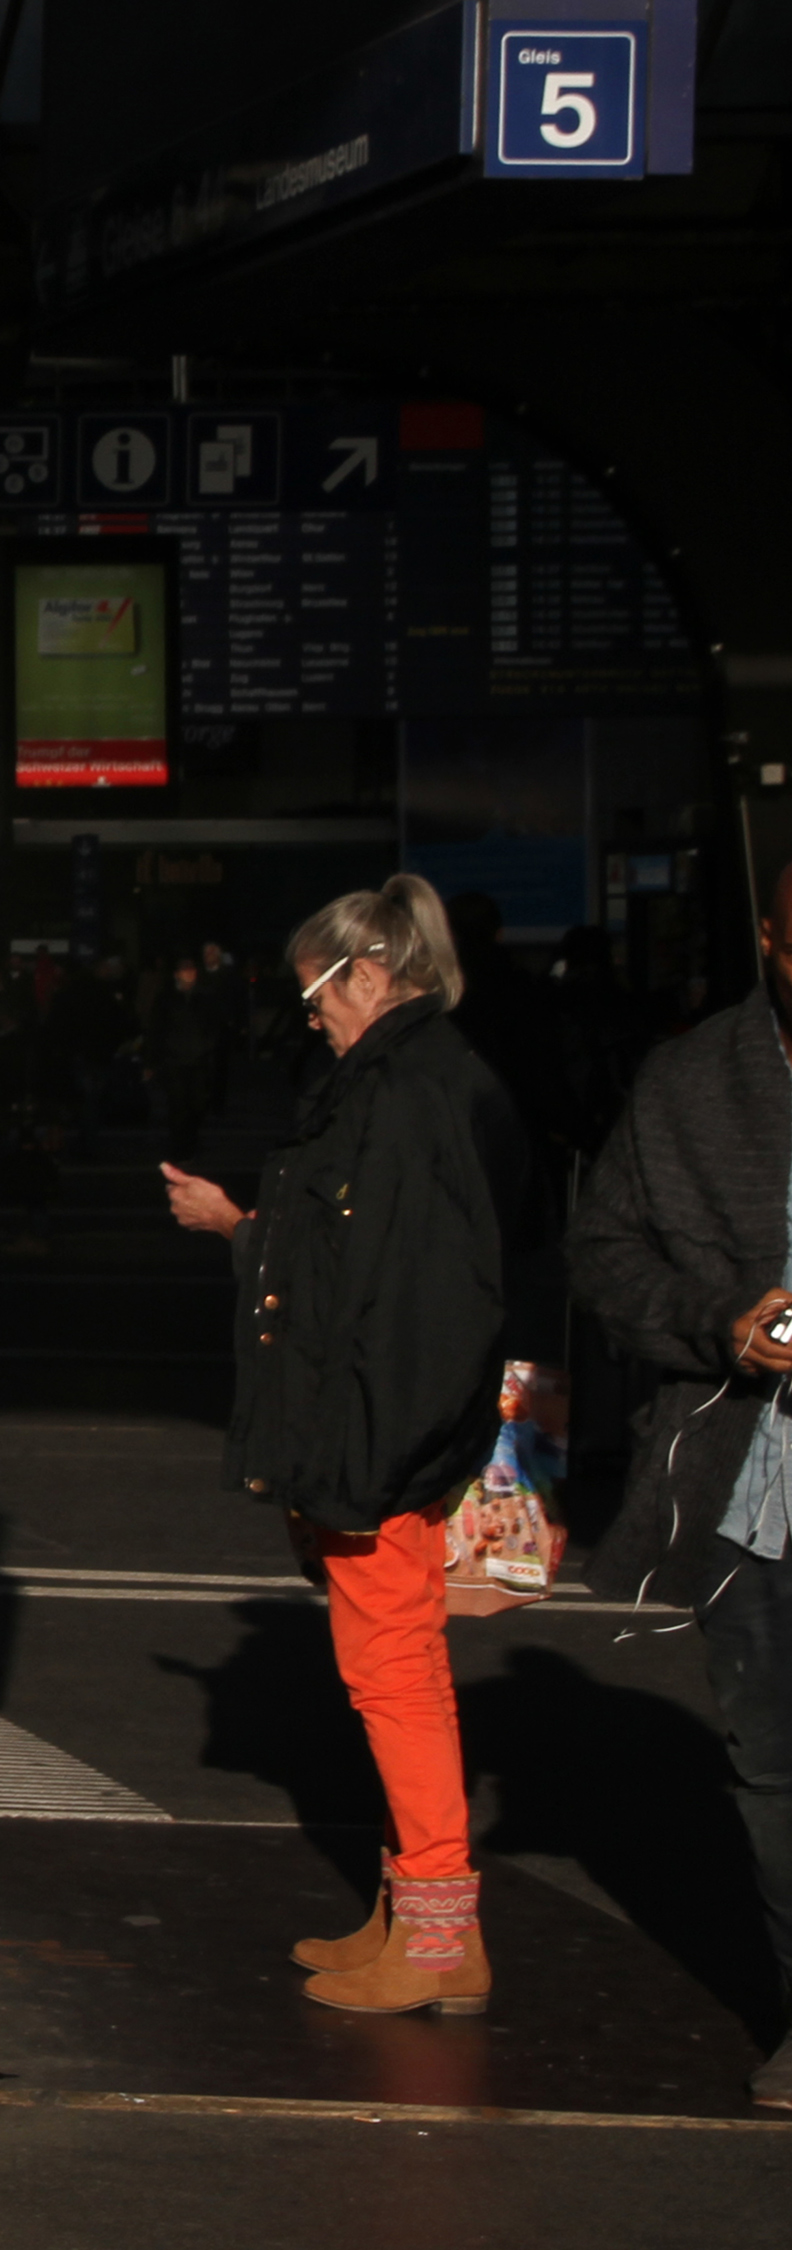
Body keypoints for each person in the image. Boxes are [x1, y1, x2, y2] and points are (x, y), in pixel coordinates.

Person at [159, 874, 530, 2017]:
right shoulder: (422, 1079)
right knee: (393, 1673)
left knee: (394, 1677)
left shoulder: (404, 1093)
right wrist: (245, 1228)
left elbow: (408, 1298)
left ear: (364, 974)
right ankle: (411, 1913)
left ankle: (433, 1933)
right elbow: (364, 1268)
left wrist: (363, 1466)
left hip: (380, 1441)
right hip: (386, 1431)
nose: (305, 1013)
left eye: (312, 992)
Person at [564, 854, 792, 2113]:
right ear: (766, 940)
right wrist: (719, 1321)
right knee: (774, 1770)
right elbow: (602, 1254)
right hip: (755, 1483)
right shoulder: (692, 1081)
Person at [145, 952, 223, 1162]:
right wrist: (152, 1059)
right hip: (175, 1060)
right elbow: (156, 1029)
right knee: (178, 1105)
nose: (189, 974)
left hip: (197, 1059)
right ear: (177, 974)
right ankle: (181, 1145)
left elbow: (214, 1026)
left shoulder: (204, 997)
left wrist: (207, 1047)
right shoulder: (167, 998)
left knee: (196, 1104)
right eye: (185, 970)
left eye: (192, 970)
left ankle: (191, 1141)